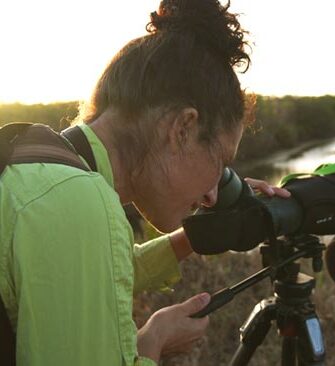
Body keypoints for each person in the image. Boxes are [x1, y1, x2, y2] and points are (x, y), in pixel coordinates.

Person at [0, 0, 289, 365]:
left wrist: (197, 236)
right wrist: (153, 341)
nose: (214, 192)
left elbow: (98, 272)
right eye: (220, 161)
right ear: (182, 128)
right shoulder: (77, 201)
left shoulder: (37, 161)